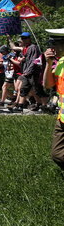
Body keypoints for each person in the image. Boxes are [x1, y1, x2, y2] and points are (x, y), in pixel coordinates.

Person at [42, 29, 64, 171]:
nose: (52, 49)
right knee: (57, 154)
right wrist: (49, 63)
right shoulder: (61, 62)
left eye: (54, 44)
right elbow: (48, 84)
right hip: (62, 118)